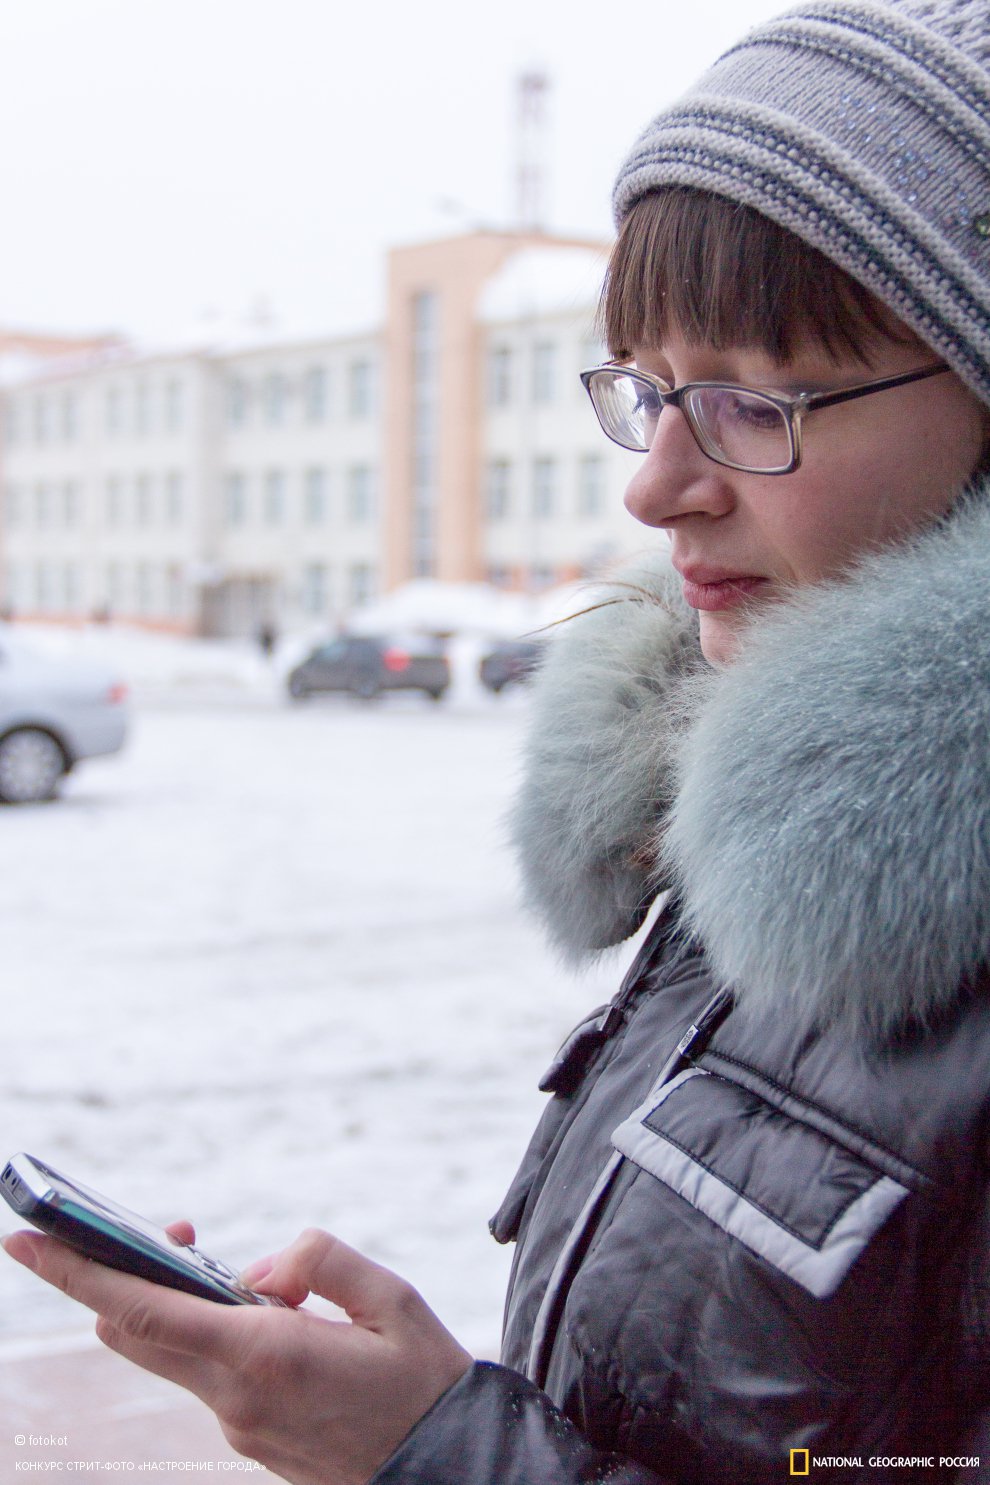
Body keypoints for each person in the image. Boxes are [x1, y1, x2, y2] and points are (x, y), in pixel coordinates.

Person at [5, 0, 990, 1479]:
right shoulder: (771, 810)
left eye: (746, 400)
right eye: (649, 391)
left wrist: (434, 1450)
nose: (655, 491)